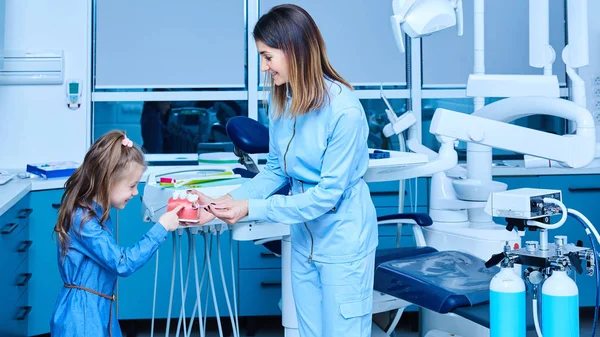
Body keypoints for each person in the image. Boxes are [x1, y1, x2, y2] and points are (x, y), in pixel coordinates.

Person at [197, 4, 378, 336]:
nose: (265, 68)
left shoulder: (345, 111)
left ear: (294, 50)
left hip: (343, 245)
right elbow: (275, 172)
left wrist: (251, 208)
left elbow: (325, 196)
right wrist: (220, 201)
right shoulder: (284, 102)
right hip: (303, 241)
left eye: (268, 57)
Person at [50, 130, 185, 337]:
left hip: (97, 309)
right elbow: (121, 263)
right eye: (131, 186)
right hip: (82, 318)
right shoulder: (83, 221)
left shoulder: (96, 214)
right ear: (107, 180)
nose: (135, 192)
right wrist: (161, 227)